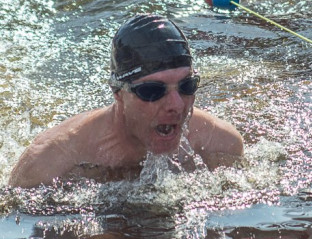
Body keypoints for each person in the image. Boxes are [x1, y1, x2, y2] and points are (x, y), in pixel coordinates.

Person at [8, 14, 244, 188]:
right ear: (118, 93)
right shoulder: (49, 163)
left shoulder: (220, 144)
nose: (177, 105)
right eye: (152, 91)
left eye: (186, 86)